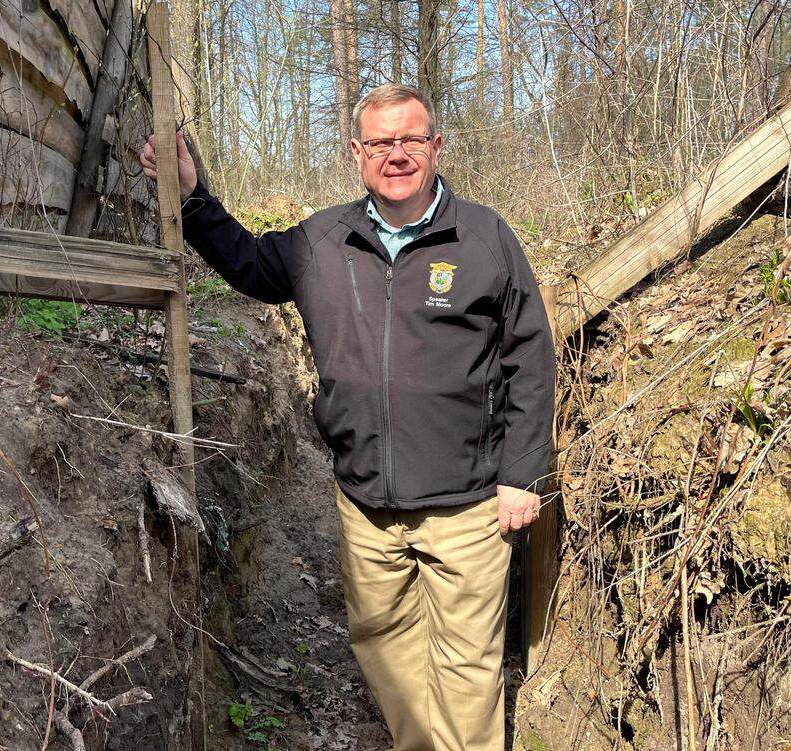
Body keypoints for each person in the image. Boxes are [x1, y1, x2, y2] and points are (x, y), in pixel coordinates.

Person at [141, 83, 555, 751]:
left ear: (436, 147)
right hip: (366, 504)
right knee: (384, 647)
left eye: (411, 140)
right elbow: (248, 263)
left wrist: (520, 474)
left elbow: (530, 358)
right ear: (357, 153)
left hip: (469, 505)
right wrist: (192, 197)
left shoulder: (485, 239)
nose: (397, 154)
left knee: (467, 671)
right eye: (381, 142)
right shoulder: (321, 240)